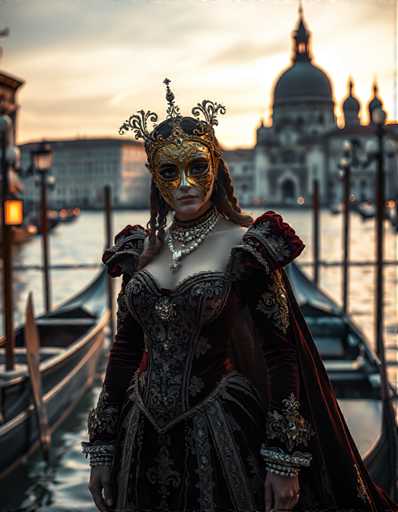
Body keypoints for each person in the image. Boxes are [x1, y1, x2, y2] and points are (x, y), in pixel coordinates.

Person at [82, 79, 398, 512]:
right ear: (156, 177)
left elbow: (281, 355)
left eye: (197, 166)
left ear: (216, 167)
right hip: (139, 440)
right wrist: (102, 447)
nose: (186, 184)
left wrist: (284, 461)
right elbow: (124, 351)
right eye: (170, 172)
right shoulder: (139, 251)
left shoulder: (247, 247)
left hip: (221, 433)